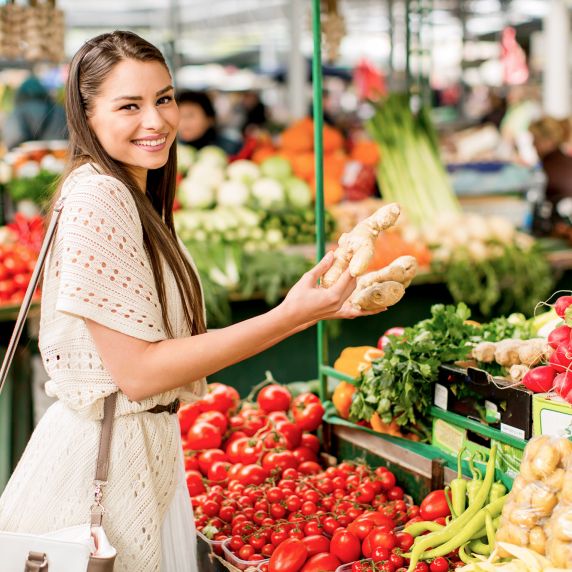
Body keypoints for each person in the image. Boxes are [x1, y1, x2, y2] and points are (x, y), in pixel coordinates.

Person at [0, 31, 381, 572]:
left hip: (137, 454)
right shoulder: (99, 195)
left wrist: (299, 314)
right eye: (129, 105)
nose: (155, 121)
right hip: (100, 473)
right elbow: (138, 372)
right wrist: (288, 317)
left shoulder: (132, 192)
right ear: (86, 113)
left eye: (164, 98)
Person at [3, 74, 68, 149]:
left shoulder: (19, 112)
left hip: (30, 158)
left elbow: (14, 139)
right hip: (62, 156)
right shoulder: (59, 110)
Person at [176, 89, 241, 155]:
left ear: (209, 119)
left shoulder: (230, 147)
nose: (183, 122)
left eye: (190, 115)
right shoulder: (175, 150)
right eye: (179, 116)